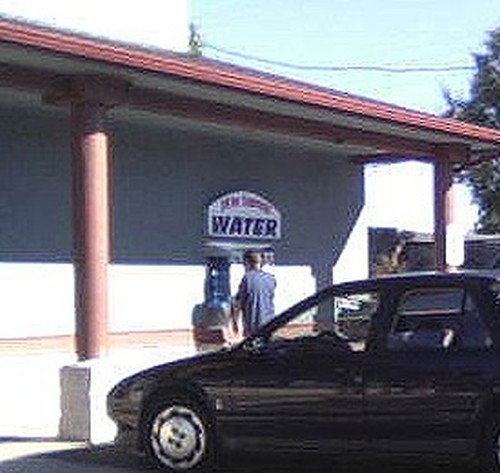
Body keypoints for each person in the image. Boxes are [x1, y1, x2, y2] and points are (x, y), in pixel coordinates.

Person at [231, 249, 276, 338]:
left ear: (247, 262)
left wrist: (235, 322)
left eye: (243, 263)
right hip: (269, 323)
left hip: (253, 326)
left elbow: (238, 303)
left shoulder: (247, 278)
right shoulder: (271, 279)